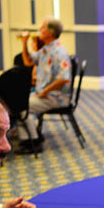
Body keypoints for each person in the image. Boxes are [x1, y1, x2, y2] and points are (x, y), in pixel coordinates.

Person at [18, 18, 72, 151]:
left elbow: (63, 79)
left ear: (50, 32)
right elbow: (28, 61)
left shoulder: (59, 52)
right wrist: (24, 43)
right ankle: (32, 136)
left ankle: (33, 141)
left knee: (20, 106)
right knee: (18, 102)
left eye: (42, 28)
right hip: (44, 94)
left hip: (55, 97)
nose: (39, 30)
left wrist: (45, 91)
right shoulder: (46, 49)